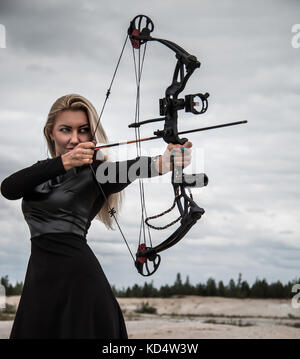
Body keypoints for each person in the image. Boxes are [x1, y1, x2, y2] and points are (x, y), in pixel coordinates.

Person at [0, 94, 192, 339]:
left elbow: (137, 167)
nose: (74, 138)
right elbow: (9, 188)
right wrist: (63, 162)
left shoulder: (97, 174)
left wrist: (165, 162)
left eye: (83, 130)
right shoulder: (38, 173)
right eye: (65, 130)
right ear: (50, 132)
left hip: (79, 281)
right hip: (39, 282)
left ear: (91, 136)